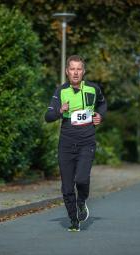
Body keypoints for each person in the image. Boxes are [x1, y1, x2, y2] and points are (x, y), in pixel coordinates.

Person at [45, 55, 107, 232]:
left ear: (83, 71)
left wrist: (100, 116)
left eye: (79, 69)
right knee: (66, 187)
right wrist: (59, 110)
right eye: (72, 69)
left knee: (81, 178)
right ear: (67, 71)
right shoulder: (60, 91)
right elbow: (47, 116)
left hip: (87, 141)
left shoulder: (93, 89)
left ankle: (81, 202)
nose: (75, 72)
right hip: (66, 143)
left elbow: (103, 104)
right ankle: (74, 220)